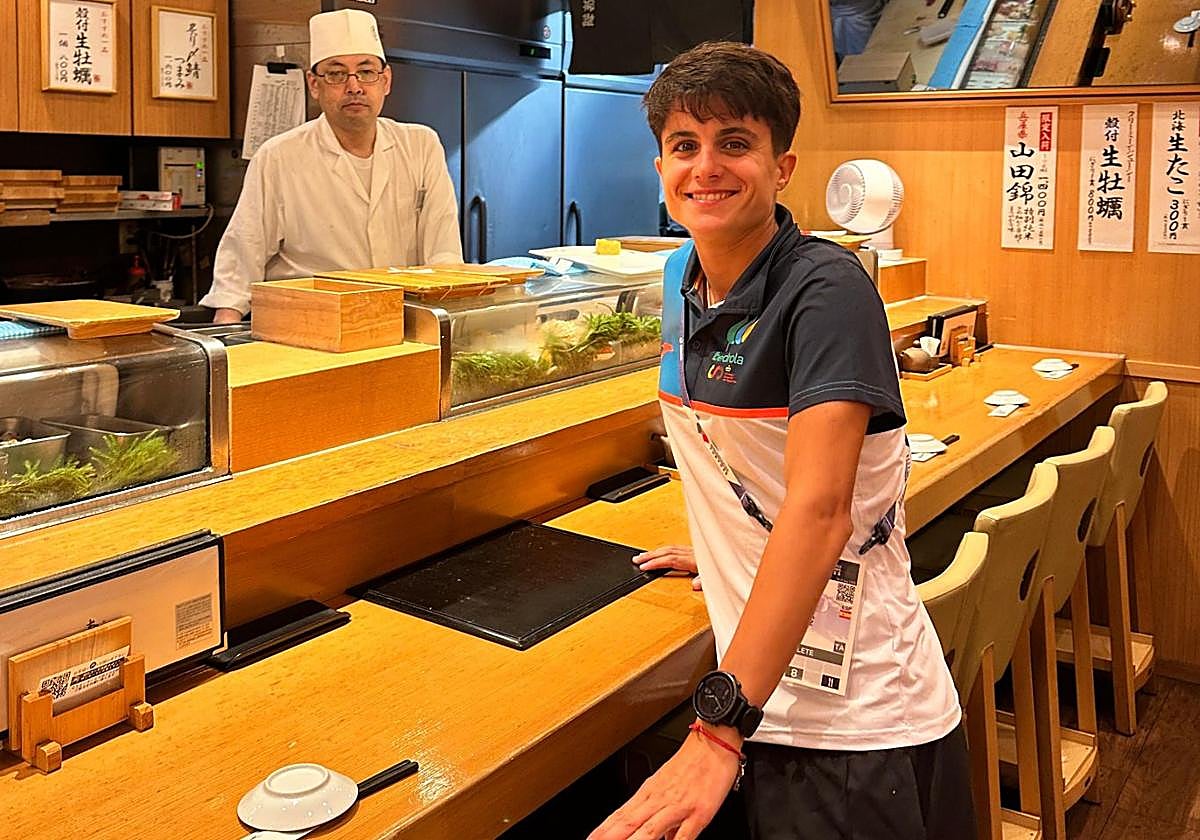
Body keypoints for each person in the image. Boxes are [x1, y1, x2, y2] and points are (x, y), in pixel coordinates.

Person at [592, 42, 975, 840]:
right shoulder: (679, 278)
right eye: (684, 146)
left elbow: (821, 510)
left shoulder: (827, 289)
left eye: (734, 143)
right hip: (770, 694)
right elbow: (754, 468)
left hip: (856, 725)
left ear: (782, 166)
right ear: (660, 167)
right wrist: (730, 540)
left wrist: (717, 728)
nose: (706, 167)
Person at [202, 9, 462, 323]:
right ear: (314, 84)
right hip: (306, 329)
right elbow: (242, 261)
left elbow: (444, 257)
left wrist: (451, 330)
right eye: (337, 74)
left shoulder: (421, 145)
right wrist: (224, 338)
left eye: (366, 72)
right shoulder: (279, 156)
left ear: (386, 80)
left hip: (401, 327)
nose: (354, 86)